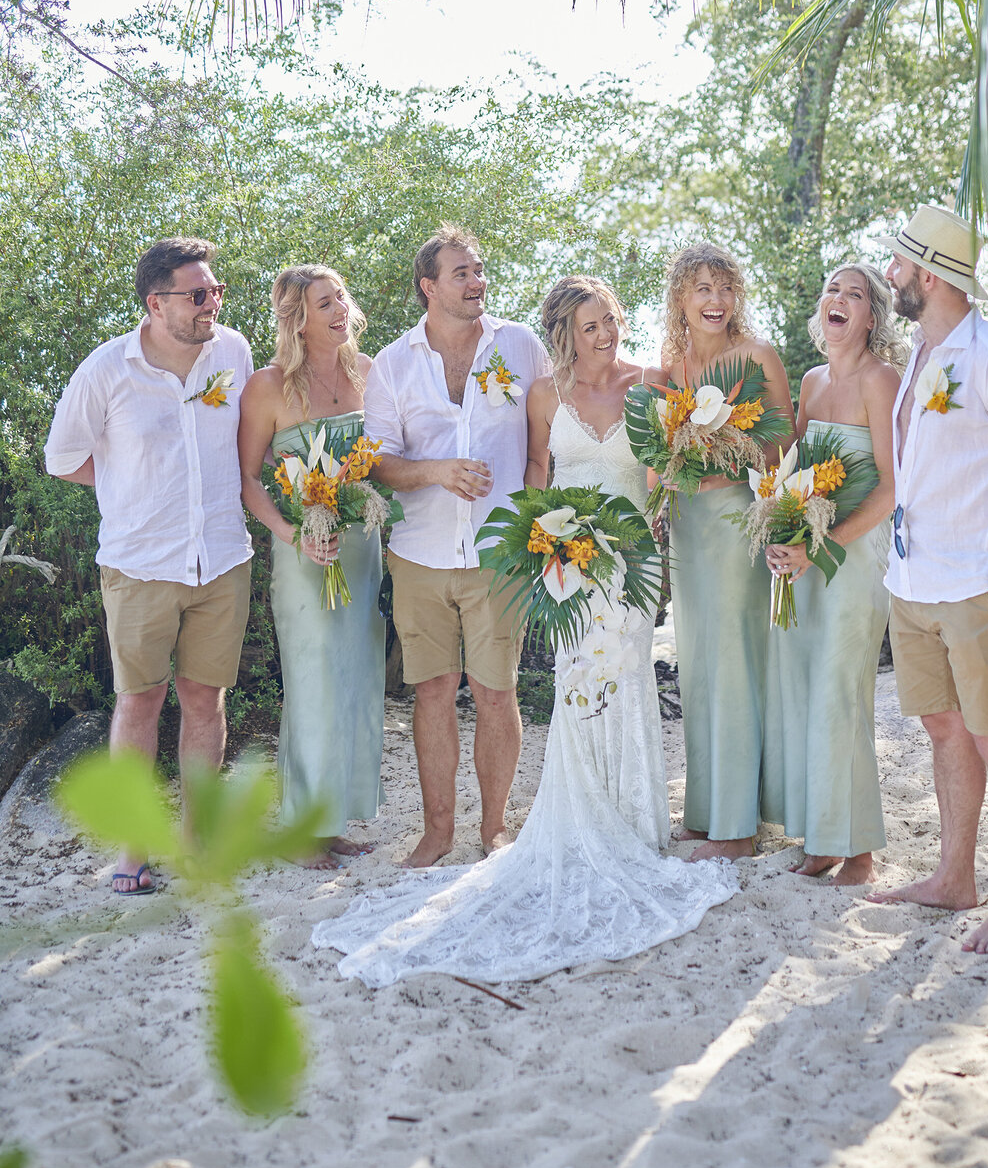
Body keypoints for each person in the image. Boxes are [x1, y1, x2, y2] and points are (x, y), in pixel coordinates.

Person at [311, 276, 736, 985]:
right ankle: (567, 820)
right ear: (565, 336)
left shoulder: (654, 384)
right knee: (575, 685)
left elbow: (667, 466)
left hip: (631, 562)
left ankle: (635, 826)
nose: (603, 334)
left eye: (610, 320)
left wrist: (669, 492)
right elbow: (538, 471)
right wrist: (544, 543)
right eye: (588, 325)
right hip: (567, 560)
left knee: (624, 678)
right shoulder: (545, 393)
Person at [869, 204, 988, 953]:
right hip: (912, 580)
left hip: (978, 582)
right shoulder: (920, 352)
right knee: (943, 729)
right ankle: (954, 879)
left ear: (930, 274)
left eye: (899, 264)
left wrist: (986, 529)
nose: (890, 275)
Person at [44, 238, 253, 895]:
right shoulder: (108, 369)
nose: (210, 304)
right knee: (139, 702)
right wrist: (125, 493)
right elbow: (62, 457)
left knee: (203, 701)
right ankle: (134, 849)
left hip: (222, 557)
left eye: (215, 290)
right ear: (153, 303)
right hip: (139, 565)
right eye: (197, 294)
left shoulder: (235, 353)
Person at [362, 225, 550, 867]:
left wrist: (541, 525)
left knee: (497, 691)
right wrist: (437, 472)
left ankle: (493, 829)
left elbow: (545, 440)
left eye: (479, 270)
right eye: (462, 273)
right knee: (434, 692)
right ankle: (437, 832)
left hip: (502, 553)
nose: (477, 282)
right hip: (419, 555)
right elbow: (378, 462)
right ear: (429, 287)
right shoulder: (392, 363)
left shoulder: (521, 346)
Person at [761, 264, 905, 886]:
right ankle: (820, 839)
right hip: (804, 563)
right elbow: (793, 472)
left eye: (856, 294)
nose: (839, 300)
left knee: (842, 697)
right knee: (803, 693)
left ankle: (861, 852)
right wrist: (779, 532)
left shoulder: (884, 381)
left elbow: (892, 489)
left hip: (854, 560)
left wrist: (824, 546)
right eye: (832, 291)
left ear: (873, 316)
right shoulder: (811, 382)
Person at [238, 265, 385, 869]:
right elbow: (247, 478)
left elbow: (386, 460)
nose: (340, 309)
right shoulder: (266, 387)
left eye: (343, 297)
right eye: (325, 303)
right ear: (298, 317)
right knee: (313, 682)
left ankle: (332, 820)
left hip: (361, 551)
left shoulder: (370, 374)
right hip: (303, 555)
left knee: (355, 679)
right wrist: (290, 532)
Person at [654, 244, 793, 862]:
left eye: (725, 288)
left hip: (738, 521)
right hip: (687, 525)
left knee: (736, 658)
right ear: (680, 298)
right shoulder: (672, 365)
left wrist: (733, 451)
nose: (715, 300)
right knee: (699, 660)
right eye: (702, 289)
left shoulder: (756, 356)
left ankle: (738, 827)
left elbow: (788, 441)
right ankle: (707, 808)